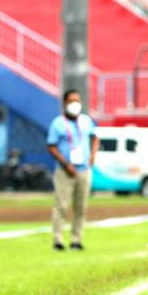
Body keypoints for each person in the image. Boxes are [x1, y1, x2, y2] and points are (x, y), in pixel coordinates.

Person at [46, 90, 98, 251]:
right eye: (71, 101)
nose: (75, 104)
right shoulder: (57, 123)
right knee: (62, 205)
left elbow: (95, 137)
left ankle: (76, 239)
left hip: (83, 169)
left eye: (77, 100)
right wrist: (65, 163)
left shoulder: (86, 121)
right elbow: (51, 145)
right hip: (65, 170)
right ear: (65, 103)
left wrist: (92, 156)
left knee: (81, 206)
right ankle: (58, 240)